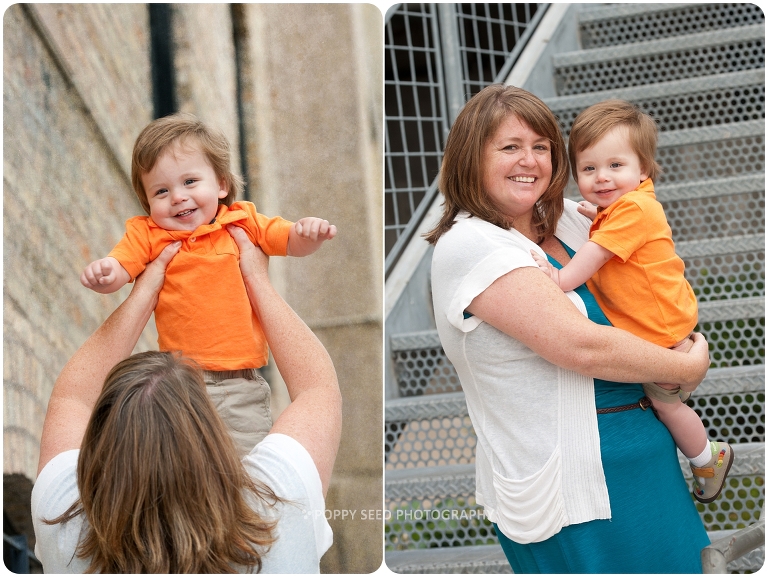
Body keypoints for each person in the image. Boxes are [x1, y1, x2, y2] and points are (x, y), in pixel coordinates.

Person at [425, 84, 712, 573]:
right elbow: (578, 345)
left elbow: (649, 284)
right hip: (572, 489)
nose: (530, 160)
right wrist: (688, 365)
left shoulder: (569, 225)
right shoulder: (469, 244)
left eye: (541, 147)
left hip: (646, 457)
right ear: (471, 157)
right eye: (510, 147)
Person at [32, 225, 342, 573]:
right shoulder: (276, 512)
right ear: (211, 432)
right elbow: (317, 388)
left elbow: (72, 398)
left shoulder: (64, 524)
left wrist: (144, 292)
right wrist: (256, 279)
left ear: (102, 444)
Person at [80, 113, 337, 455]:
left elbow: (289, 241)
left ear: (221, 184)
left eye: (190, 182)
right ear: (147, 203)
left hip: (237, 384)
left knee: (241, 466)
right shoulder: (149, 235)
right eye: (161, 191)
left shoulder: (243, 222)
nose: (178, 197)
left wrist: (308, 234)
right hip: (177, 383)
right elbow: (121, 266)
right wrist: (105, 274)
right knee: (186, 466)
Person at [530, 100, 732, 503]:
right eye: (589, 169)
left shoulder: (632, 211)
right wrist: (597, 214)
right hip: (662, 323)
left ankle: (708, 458)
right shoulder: (623, 207)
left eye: (615, 166)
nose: (601, 178)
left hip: (659, 334)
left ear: (643, 169)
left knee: (669, 409)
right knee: (664, 403)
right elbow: (610, 228)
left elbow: (596, 254)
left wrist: (559, 277)